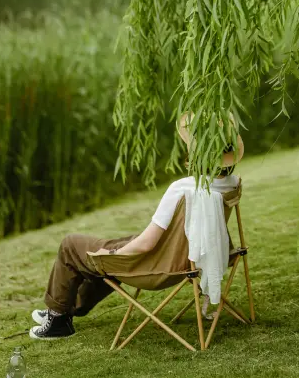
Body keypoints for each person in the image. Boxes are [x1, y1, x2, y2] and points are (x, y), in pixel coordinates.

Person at [29, 112, 243, 340]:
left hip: (157, 267)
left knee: (71, 245)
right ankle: (65, 305)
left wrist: (113, 254)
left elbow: (146, 244)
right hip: (187, 259)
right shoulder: (231, 183)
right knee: (124, 242)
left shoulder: (183, 189)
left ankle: (59, 319)